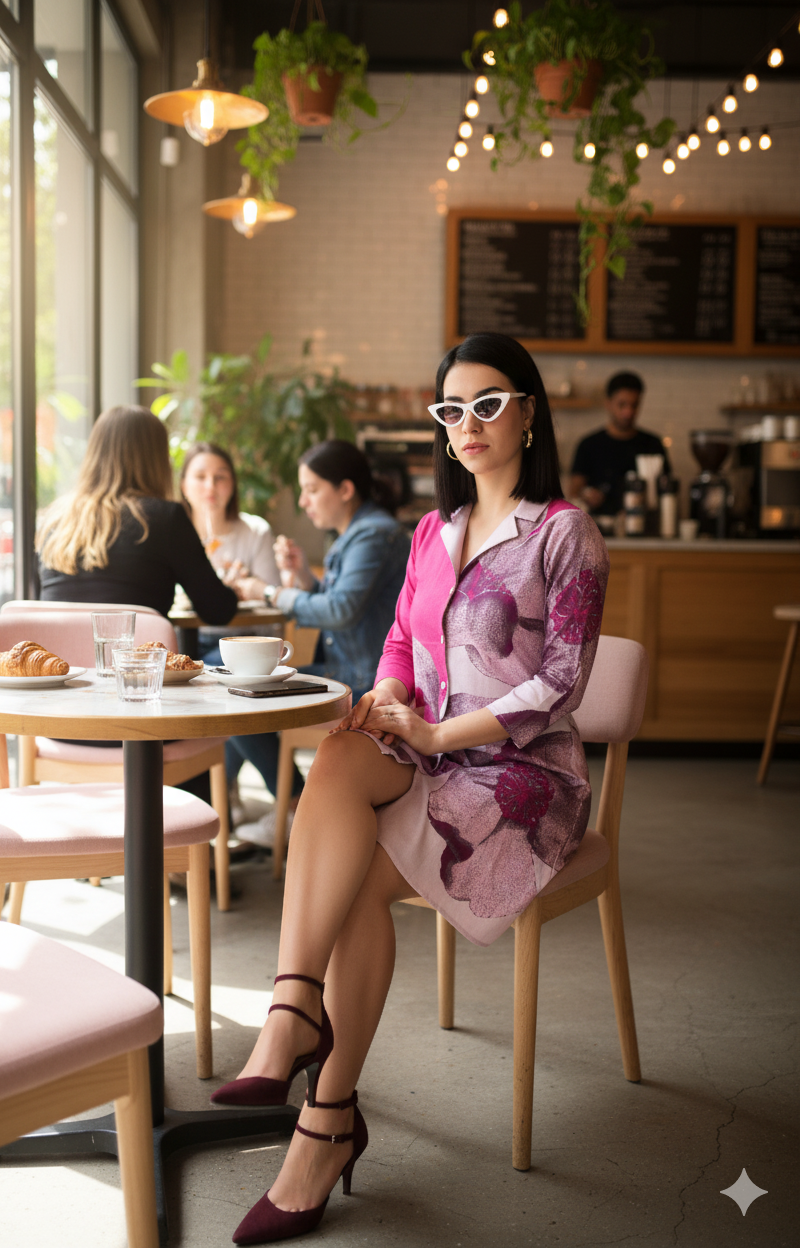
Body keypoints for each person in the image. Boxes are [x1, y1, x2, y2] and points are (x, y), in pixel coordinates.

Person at [212, 333, 609, 1246]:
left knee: (355, 881)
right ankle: (293, 1018)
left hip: (519, 776)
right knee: (342, 749)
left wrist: (433, 731)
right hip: (431, 754)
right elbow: (399, 643)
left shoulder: (563, 533)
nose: (466, 425)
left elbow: (559, 685)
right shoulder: (433, 533)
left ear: (528, 411)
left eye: (487, 404)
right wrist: (391, 696)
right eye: (451, 409)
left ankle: (324, 1114)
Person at [227, 439, 411, 842]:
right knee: (236, 694)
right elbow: (346, 599)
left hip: (362, 680)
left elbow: (341, 610)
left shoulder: (372, 535)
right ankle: (230, 809)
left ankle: (290, 807)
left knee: (238, 701)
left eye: (312, 489)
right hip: (348, 667)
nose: (305, 501)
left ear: (344, 490)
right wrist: (306, 578)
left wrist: (268, 591)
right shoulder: (360, 531)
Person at [39, 405, 247, 621]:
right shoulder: (165, 517)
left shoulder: (54, 519)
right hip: (132, 654)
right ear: (156, 459)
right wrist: (231, 591)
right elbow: (217, 610)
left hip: (57, 654)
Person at [179, 441, 280, 667]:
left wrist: (239, 590)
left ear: (233, 484)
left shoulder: (255, 531)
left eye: (220, 477)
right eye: (200, 477)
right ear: (184, 486)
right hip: (183, 638)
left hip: (244, 640)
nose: (210, 486)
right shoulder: (174, 534)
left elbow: (272, 598)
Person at [569, 371, 670, 515]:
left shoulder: (653, 444)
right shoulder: (589, 445)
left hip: (645, 528)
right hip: (598, 528)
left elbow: (667, 491)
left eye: (634, 405)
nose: (628, 412)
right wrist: (586, 494)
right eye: (622, 405)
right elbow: (574, 491)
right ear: (608, 403)